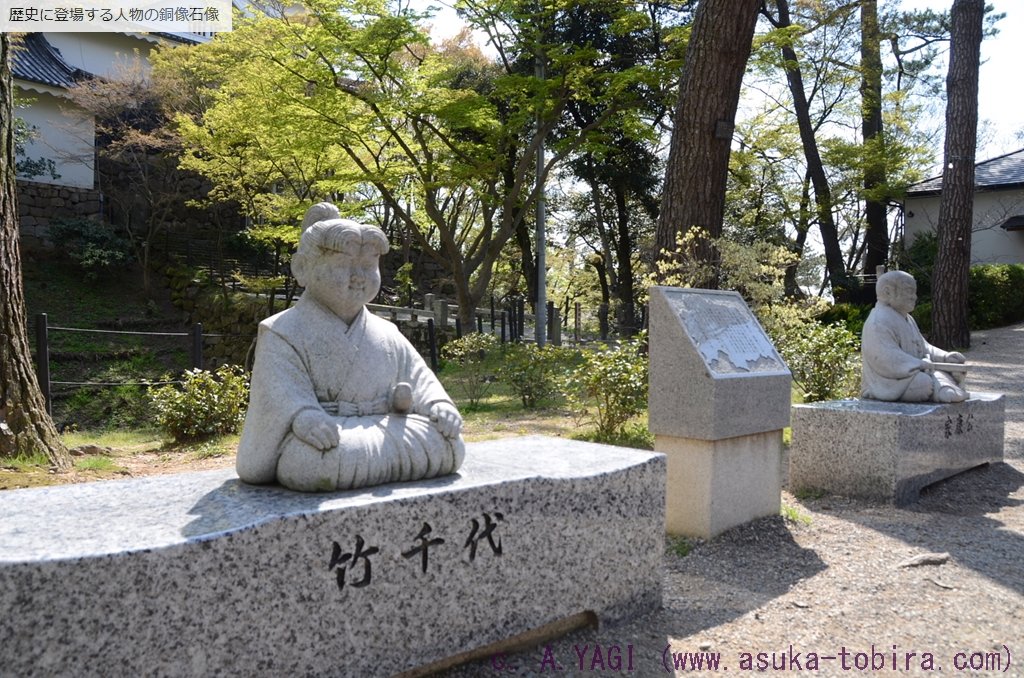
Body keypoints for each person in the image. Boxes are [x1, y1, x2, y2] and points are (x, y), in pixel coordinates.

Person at [236, 217, 464, 491]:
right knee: (311, 462)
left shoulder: (386, 332)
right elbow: (278, 389)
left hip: (387, 426)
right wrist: (304, 417)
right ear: (302, 268)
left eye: (368, 266)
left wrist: (438, 405)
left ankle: (376, 460)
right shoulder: (281, 331)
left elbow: (418, 377)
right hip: (330, 436)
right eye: (344, 265)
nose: (359, 276)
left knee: (450, 443)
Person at [860, 270, 968, 403]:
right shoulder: (878, 321)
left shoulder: (908, 318)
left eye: (914, 292)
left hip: (915, 371)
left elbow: (924, 347)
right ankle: (942, 389)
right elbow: (885, 357)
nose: (914, 297)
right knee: (923, 383)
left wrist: (945, 357)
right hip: (887, 382)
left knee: (944, 373)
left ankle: (944, 388)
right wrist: (919, 364)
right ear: (888, 292)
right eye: (909, 291)